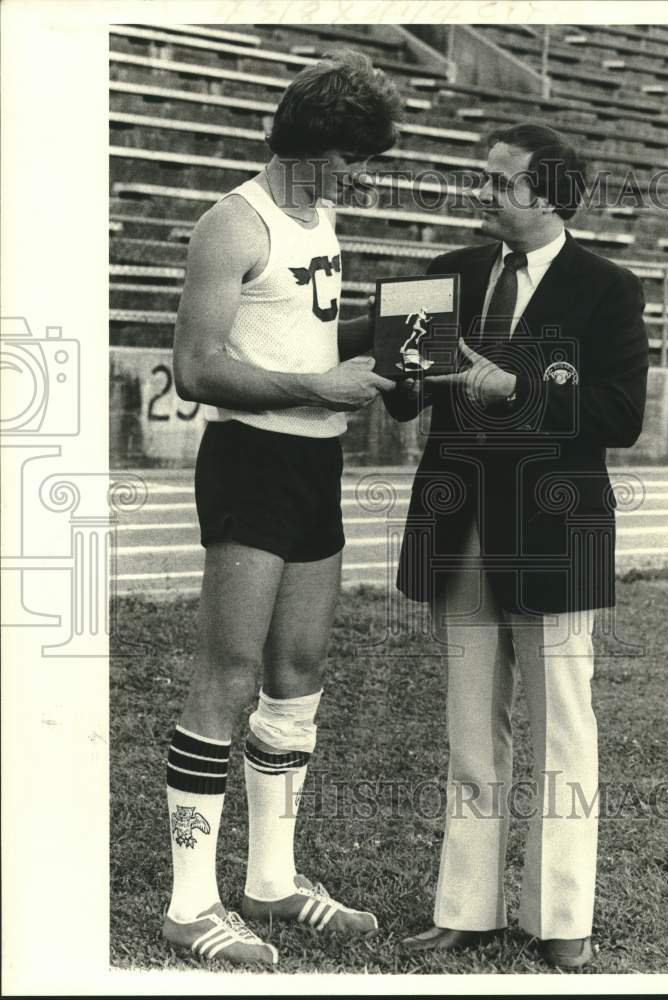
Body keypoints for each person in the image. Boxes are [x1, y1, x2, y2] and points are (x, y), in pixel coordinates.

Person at [385, 123, 649, 969]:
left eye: (500, 182)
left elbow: (620, 415)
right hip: (459, 523)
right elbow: (401, 396)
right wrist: (402, 370)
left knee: (562, 728)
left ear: (548, 194)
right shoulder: (450, 273)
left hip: (555, 529)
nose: (483, 192)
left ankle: (561, 918)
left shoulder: (608, 288)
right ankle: (466, 908)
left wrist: (518, 385)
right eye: (484, 177)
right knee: (472, 728)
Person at [163, 50, 398, 967]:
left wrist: (394, 336)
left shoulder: (322, 212)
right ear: (315, 144)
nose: (363, 174)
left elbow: (305, 323)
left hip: (315, 465)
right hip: (250, 461)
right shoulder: (233, 221)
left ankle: (271, 880)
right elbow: (196, 368)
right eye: (355, 156)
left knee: (296, 672)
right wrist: (316, 385)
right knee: (227, 671)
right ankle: (190, 903)